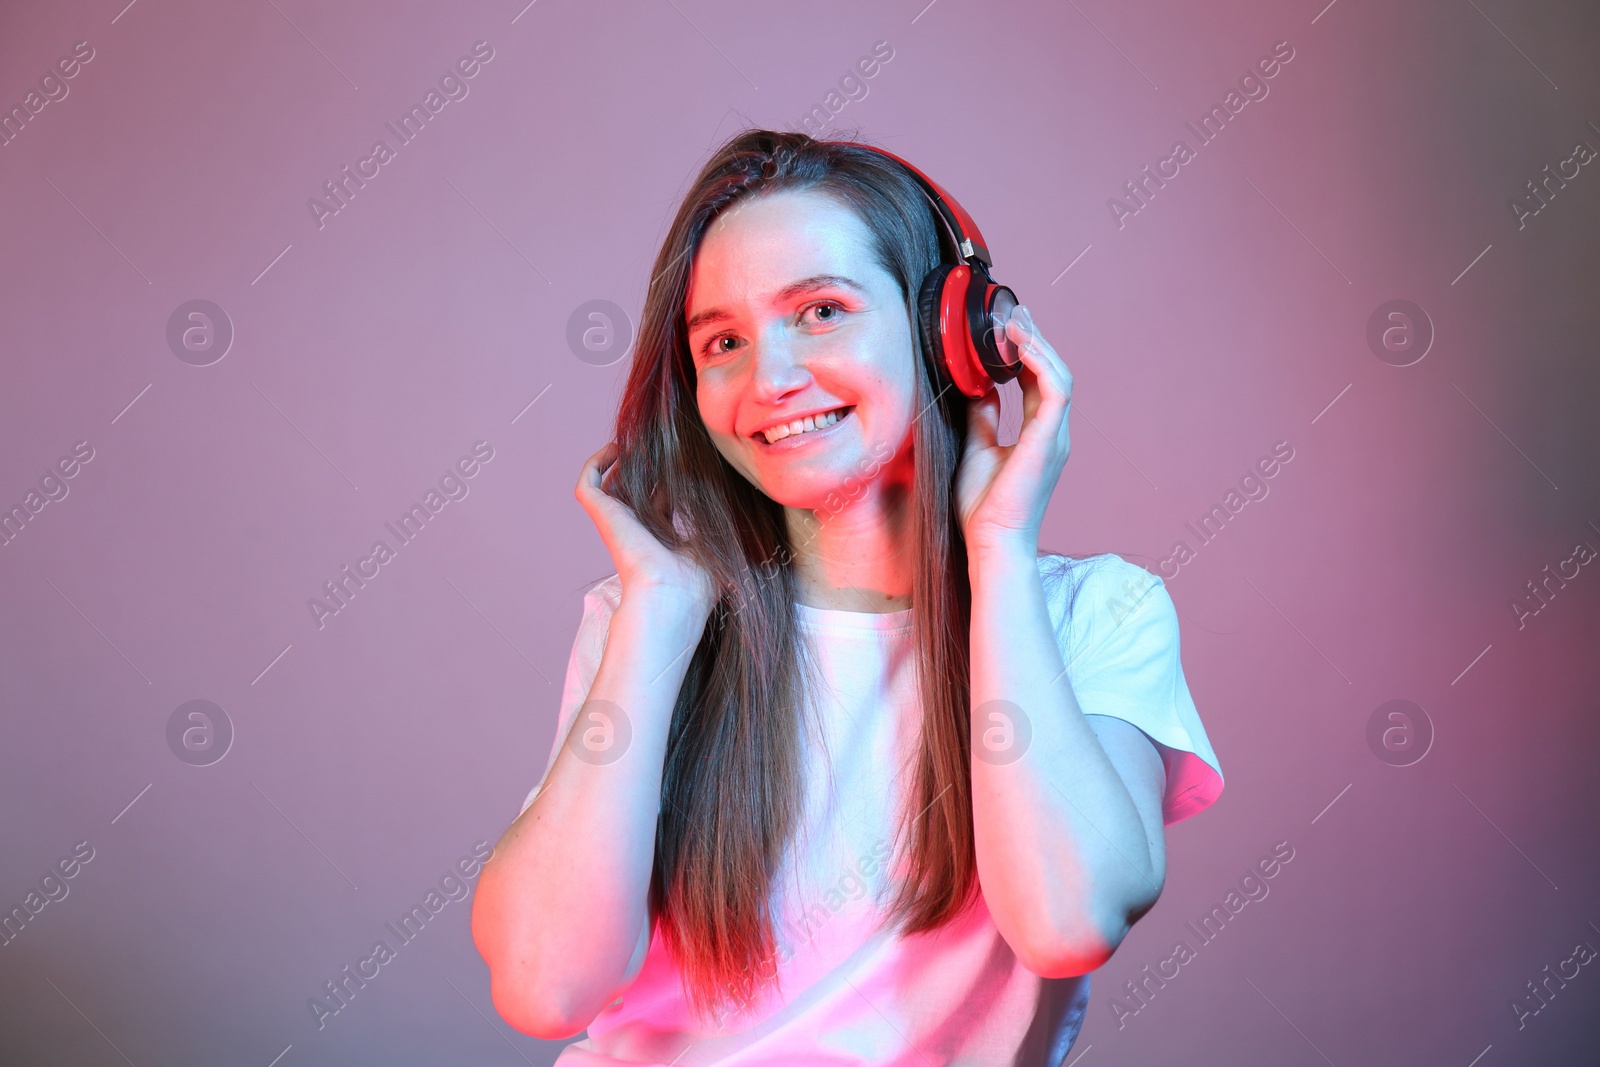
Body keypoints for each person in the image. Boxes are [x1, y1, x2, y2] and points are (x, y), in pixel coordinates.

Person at [471, 129, 1224, 1065]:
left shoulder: (1095, 617)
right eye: (725, 342)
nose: (770, 379)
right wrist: (656, 616)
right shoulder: (646, 620)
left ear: (954, 334)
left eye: (821, 311)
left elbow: (1069, 918)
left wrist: (997, 553)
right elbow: (545, 983)